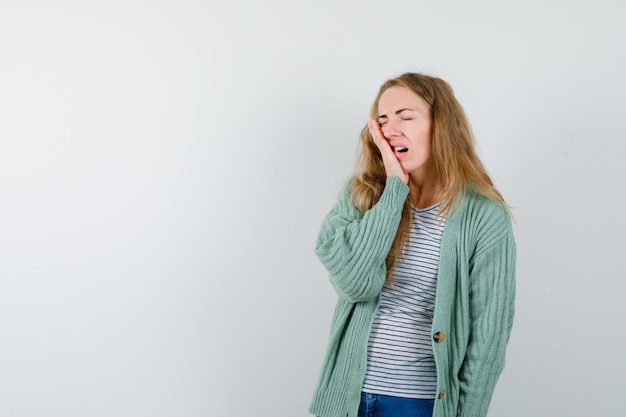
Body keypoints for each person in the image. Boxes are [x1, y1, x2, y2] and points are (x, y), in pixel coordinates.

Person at [309, 73, 516, 417]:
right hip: (348, 397)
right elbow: (354, 283)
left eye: (406, 117)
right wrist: (393, 191)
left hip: (418, 405)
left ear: (442, 126)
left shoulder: (483, 216)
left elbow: (489, 336)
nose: (391, 129)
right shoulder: (361, 196)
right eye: (383, 120)